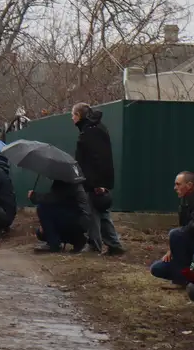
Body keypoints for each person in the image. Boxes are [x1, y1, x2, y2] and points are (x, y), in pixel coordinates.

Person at [71, 103, 125, 255]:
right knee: (101, 212)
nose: (72, 118)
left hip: (93, 180)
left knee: (93, 213)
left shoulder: (90, 132)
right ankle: (114, 244)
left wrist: (98, 183)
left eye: (73, 115)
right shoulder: (94, 129)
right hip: (95, 179)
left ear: (80, 116)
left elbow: (98, 159)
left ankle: (95, 244)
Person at [151, 172, 194, 286]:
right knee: (156, 268)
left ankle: (181, 279)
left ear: (189, 185)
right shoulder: (185, 200)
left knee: (175, 234)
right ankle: (185, 274)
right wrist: (172, 249)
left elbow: (191, 230)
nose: (175, 188)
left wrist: (175, 242)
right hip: (189, 246)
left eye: (178, 184)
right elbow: (184, 228)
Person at [31, 178, 91, 253]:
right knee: (40, 232)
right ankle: (78, 240)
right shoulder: (75, 182)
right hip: (79, 220)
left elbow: (52, 198)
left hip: (78, 221)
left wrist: (34, 196)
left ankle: (54, 244)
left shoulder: (65, 183)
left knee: (42, 208)